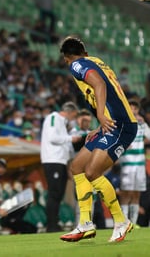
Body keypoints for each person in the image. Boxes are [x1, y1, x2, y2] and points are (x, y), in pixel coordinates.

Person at [59, 36, 138, 243]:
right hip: (109, 124)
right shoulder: (97, 61)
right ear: (85, 52)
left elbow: (99, 85)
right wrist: (98, 124)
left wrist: (101, 116)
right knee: (77, 167)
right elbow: (109, 92)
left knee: (92, 172)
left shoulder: (76, 65)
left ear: (66, 58)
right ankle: (85, 223)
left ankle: (121, 221)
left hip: (118, 125)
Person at [40, 101, 82, 232]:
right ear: (69, 112)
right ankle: (51, 225)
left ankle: (55, 223)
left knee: (59, 194)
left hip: (61, 161)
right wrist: (70, 139)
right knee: (54, 192)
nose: (73, 120)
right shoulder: (54, 117)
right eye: (74, 116)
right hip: (53, 160)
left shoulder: (62, 124)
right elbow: (52, 137)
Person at [118, 100, 150, 228]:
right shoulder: (123, 125)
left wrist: (145, 124)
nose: (133, 111)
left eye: (135, 109)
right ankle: (124, 222)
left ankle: (133, 222)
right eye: (130, 108)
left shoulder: (142, 125)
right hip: (127, 164)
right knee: (126, 193)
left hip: (140, 164)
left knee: (137, 193)